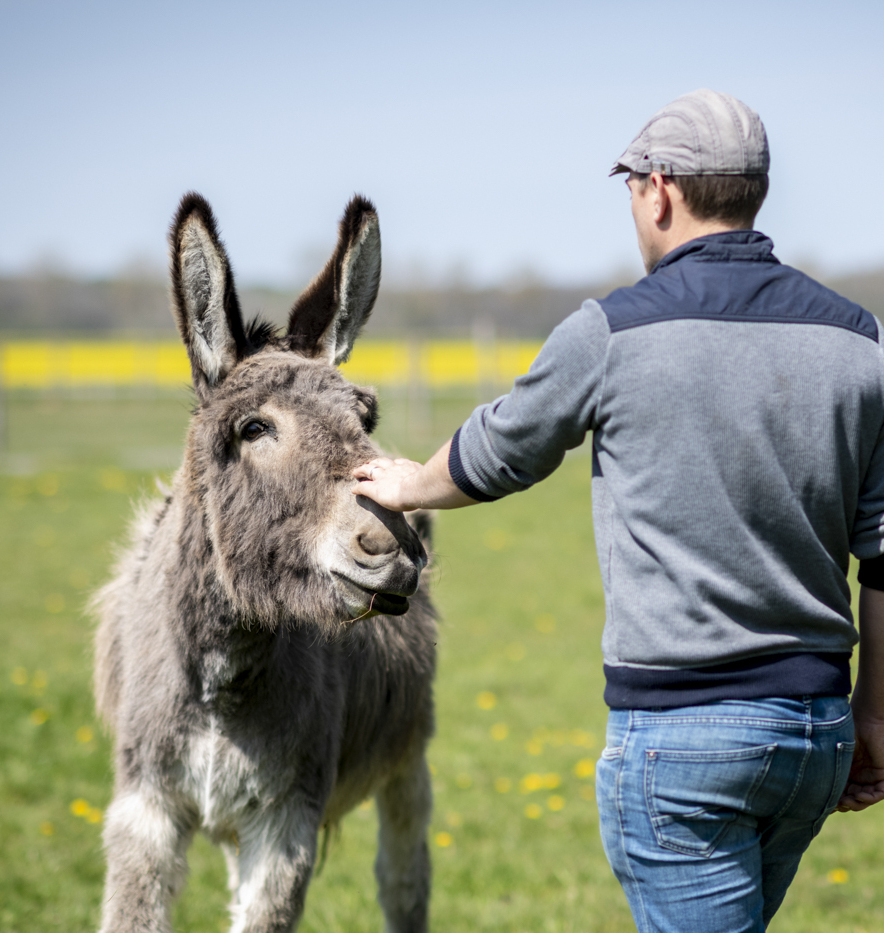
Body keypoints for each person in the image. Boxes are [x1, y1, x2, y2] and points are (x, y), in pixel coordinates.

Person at [352, 89, 884, 932]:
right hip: (815, 734)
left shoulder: (613, 331)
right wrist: (874, 711)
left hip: (684, 740)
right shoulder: (859, 339)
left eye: (633, 188)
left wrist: (410, 483)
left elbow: (505, 446)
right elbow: (881, 549)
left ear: (660, 190)